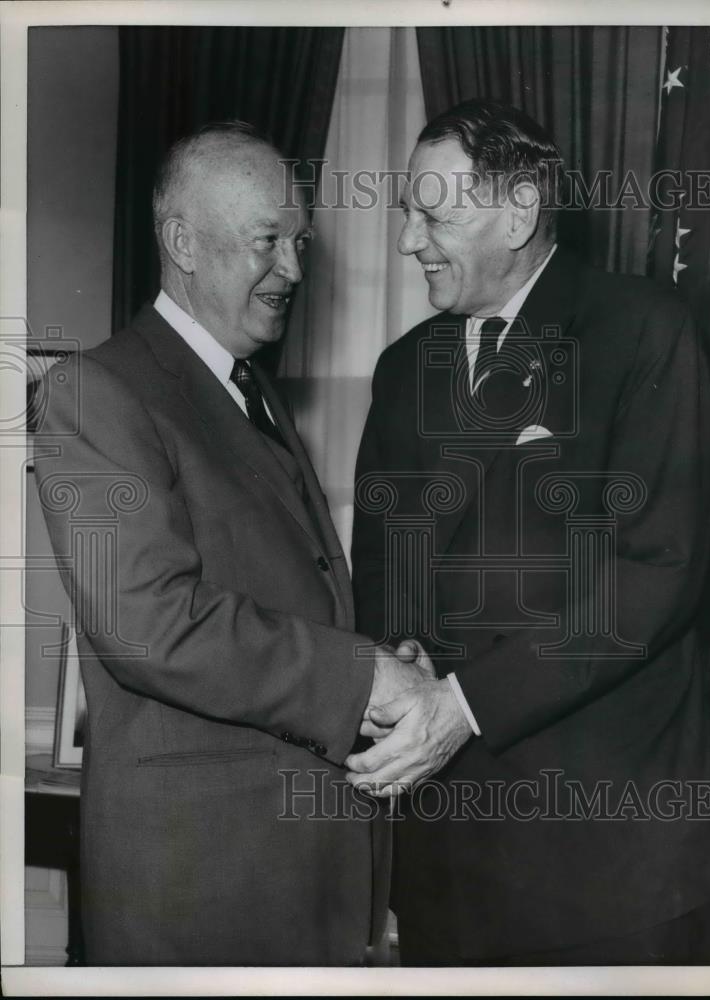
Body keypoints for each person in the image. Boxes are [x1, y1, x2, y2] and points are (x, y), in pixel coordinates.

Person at [33, 122, 426, 966]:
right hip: (199, 889)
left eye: (299, 241)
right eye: (266, 242)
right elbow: (149, 625)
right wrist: (363, 678)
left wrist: (381, 652)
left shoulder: (250, 391)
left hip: (298, 873)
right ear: (182, 242)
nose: (291, 269)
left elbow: (284, 591)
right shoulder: (92, 392)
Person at [348, 99, 710, 965]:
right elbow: (385, 564)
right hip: (452, 854)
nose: (410, 241)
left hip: (607, 859)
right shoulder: (404, 369)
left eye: (434, 215)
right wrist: (402, 668)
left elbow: (655, 572)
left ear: (519, 210)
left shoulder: (644, 332)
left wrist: (465, 705)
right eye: (408, 213)